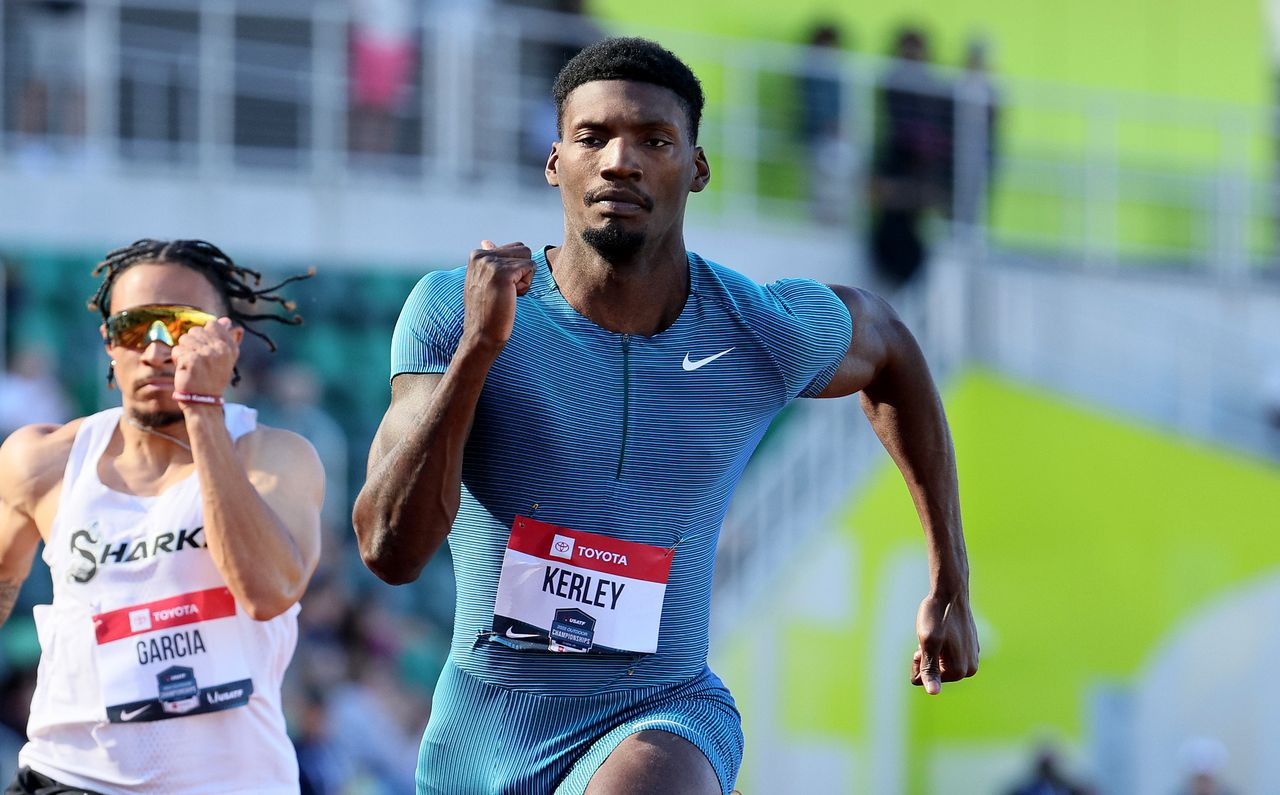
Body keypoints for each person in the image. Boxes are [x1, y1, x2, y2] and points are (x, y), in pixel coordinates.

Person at [354, 37, 978, 795]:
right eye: (593, 137)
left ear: (698, 167)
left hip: (662, 712)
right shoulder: (456, 312)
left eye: (653, 139)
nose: (621, 160)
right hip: (481, 739)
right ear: (555, 162)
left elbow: (889, 349)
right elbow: (390, 549)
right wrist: (480, 351)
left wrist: (949, 580)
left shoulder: (758, 326)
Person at [0, 239, 323, 794]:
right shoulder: (42, 461)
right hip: (66, 777)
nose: (156, 350)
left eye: (181, 327)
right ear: (109, 343)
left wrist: (203, 412)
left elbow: (268, 591)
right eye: (134, 327)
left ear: (229, 341)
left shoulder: (275, 457)